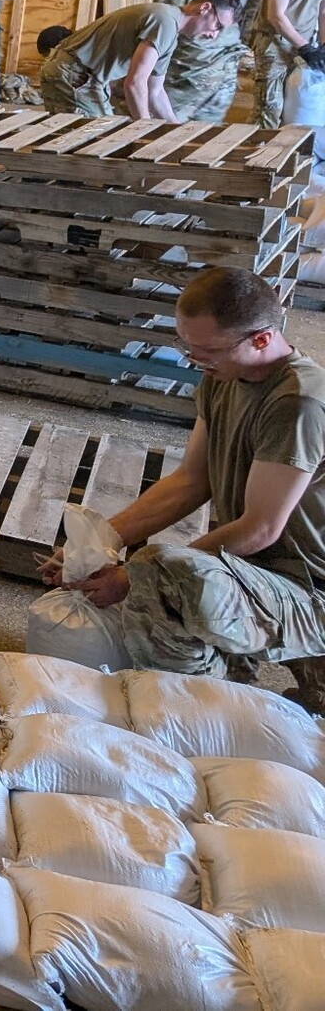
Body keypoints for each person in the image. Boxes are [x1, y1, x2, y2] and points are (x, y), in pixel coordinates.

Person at [46, 268, 325, 714]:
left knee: (158, 571)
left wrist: (133, 575)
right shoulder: (222, 376)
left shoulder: (298, 403)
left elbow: (260, 528)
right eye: (187, 346)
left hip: (308, 590)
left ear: (260, 338)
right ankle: (227, 680)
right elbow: (191, 482)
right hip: (254, 570)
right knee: (160, 569)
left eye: (208, 350)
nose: (195, 361)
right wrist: (101, 540)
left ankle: (197, 713)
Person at [36, 0, 238, 121]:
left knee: (85, 142)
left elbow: (155, 91)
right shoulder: (164, 21)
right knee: (96, 142)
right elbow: (134, 83)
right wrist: (144, 129)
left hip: (82, 76)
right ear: (205, 8)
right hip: (72, 74)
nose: (214, 35)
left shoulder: (170, 31)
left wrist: (175, 128)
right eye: (217, 25)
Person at [253, 0, 325, 127]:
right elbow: (275, 15)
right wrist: (304, 47)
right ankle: (258, 155)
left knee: (296, 106)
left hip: (305, 42)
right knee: (269, 112)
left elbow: (323, 9)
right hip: (275, 44)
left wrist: (322, 44)